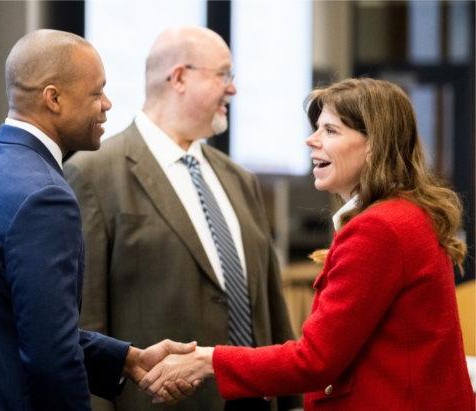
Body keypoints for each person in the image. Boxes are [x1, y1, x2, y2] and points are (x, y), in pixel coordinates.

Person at [0, 29, 196, 411]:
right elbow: (51, 356)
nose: (106, 104)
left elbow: (3, 323)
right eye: (96, 93)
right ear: (53, 98)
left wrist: (125, 359)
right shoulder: (45, 196)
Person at [140, 78, 475, 411]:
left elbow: (315, 361)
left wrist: (207, 360)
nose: (311, 140)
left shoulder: (380, 228)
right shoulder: (404, 215)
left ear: (374, 143)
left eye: (330, 130)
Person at [64, 26, 298, 411]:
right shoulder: (93, 174)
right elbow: (86, 324)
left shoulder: (240, 180)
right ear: (179, 77)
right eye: (223, 74)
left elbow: (273, 312)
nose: (232, 89)